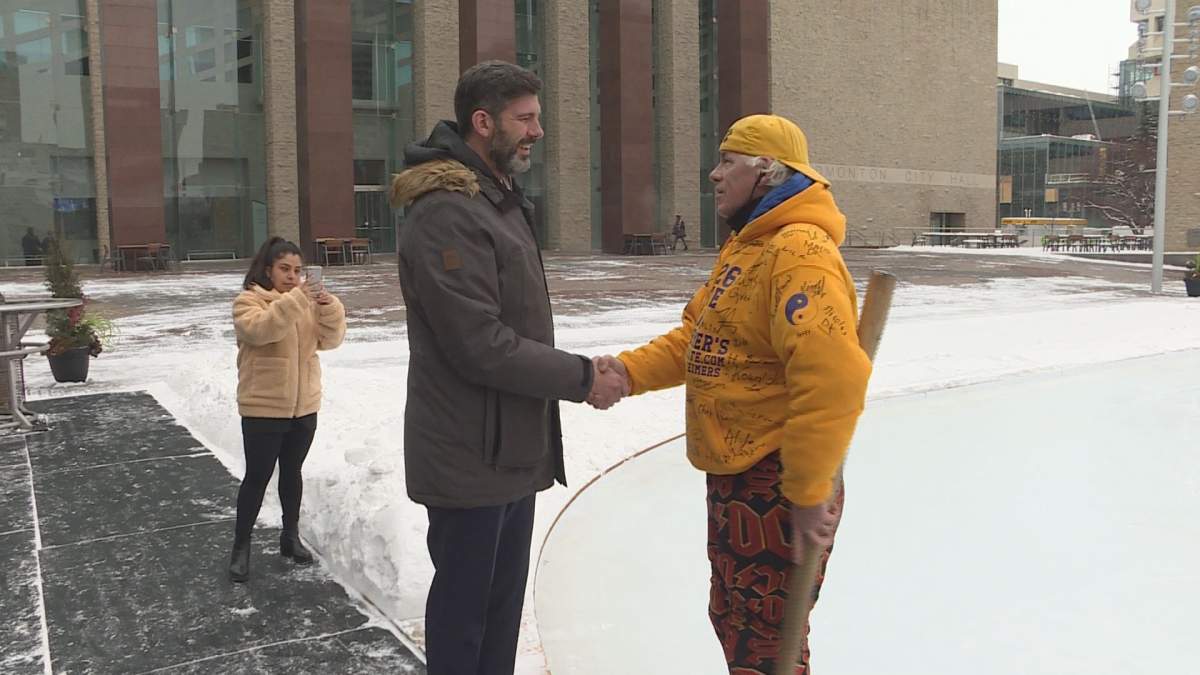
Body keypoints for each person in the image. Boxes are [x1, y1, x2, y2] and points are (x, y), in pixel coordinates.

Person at [595, 114, 871, 674]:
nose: (715, 175)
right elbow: (701, 340)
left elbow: (833, 376)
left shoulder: (799, 252)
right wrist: (627, 373)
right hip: (740, 476)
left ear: (767, 171)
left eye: (729, 162)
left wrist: (810, 488)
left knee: (766, 643)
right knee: (736, 620)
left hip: (779, 481)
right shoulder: (751, 248)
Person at [389, 60, 626, 675]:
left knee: (497, 620)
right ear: (482, 121)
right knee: (466, 626)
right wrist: (581, 378)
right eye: (526, 119)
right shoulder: (447, 212)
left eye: (537, 118)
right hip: (470, 456)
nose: (537, 132)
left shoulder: (495, 201)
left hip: (511, 451)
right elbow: (481, 344)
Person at [228, 237, 346, 583]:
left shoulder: (304, 303)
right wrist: (298, 299)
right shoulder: (248, 301)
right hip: (263, 407)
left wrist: (328, 307)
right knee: (257, 477)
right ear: (268, 269)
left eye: (297, 270)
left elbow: (331, 341)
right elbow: (262, 331)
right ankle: (241, 546)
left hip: (303, 406)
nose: (293, 276)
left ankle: (290, 536)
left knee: (292, 473)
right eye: (284, 269)